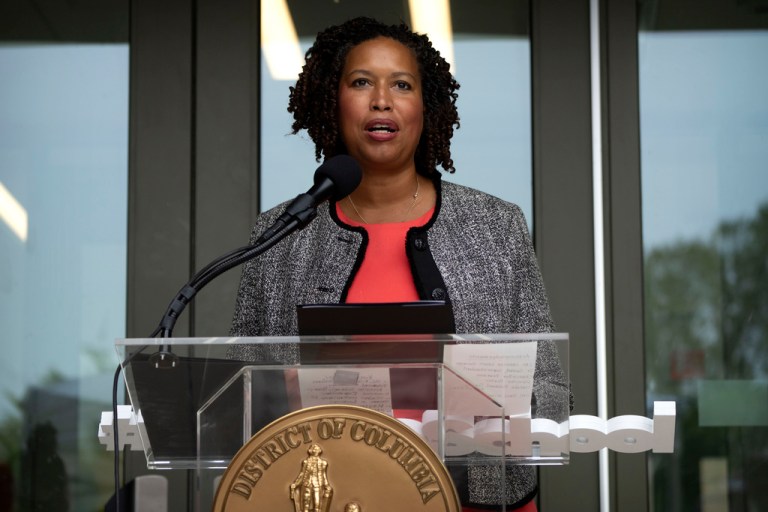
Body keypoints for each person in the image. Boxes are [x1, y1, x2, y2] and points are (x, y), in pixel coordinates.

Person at [229, 16, 568, 511]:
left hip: (474, 500)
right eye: (361, 82)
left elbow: (551, 390)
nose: (381, 99)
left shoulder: (497, 226)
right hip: (328, 495)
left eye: (401, 85)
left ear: (424, 109)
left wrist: (491, 409)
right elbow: (243, 393)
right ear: (333, 100)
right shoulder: (281, 234)